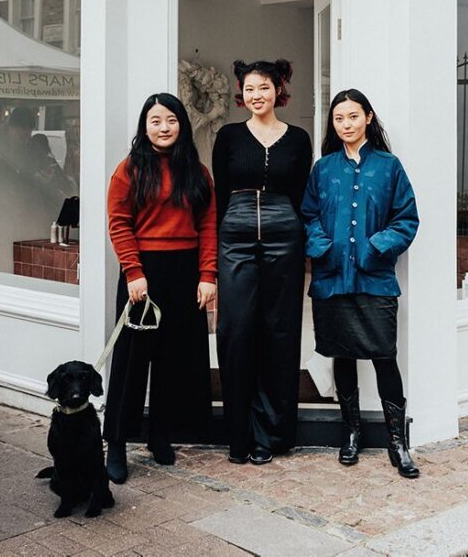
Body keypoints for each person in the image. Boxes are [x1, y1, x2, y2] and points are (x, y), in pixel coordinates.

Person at [302, 88, 420, 476]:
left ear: (368, 117)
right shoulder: (323, 168)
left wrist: (374, 248)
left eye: (353, 116)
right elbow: (309, 216)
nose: (346, 124)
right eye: (339, 118)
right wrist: (323, 248)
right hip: (332, 281)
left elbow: (406, 219)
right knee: (343, 355)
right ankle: (350, 433)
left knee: (385, 356)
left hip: (375, 281)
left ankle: (396, 442)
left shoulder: (389, 166)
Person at [103, 93, 217, 482]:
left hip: (186, 272)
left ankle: (160, 434)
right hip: (144, 274)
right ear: (145, 126)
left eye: (170, 120)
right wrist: (133, 272)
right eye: (155, 121)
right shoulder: (129, 169)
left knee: (174, 359)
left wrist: (207, 275)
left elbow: (207, 226)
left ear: (181, 124)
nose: (164, 127)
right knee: (132, 361)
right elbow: (119, 223)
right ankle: (116, 442)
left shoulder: (197, 172)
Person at [212, 59, 312, 465]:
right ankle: (239, 434)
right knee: (236, 331)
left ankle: (272, 434)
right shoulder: (229, 136)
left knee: (280, 331)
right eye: (250, 89)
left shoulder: (299, 139)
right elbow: (220, 195)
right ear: (242, 93)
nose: (257, 95)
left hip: (285, 237)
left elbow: (304, 195)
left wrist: (305, 249)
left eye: (264, 88)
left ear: (279, 91)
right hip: (234, 237)